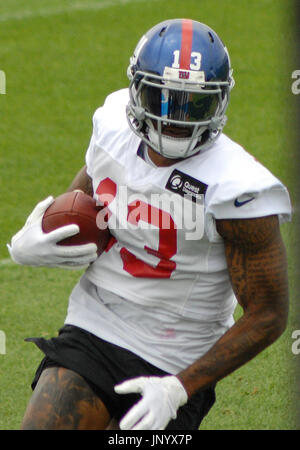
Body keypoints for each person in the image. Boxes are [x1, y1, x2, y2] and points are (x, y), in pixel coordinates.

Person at [8, 18, 292, 430]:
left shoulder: (239, 189)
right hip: (97, 324)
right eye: (163, 98)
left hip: (178, 359)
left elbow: (268, 313)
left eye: (193, 104)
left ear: (220, 102)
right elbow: (88, 196)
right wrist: (40, 235)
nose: (176, 118)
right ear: (137, 90)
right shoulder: (111, 125)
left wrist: (179, 387)